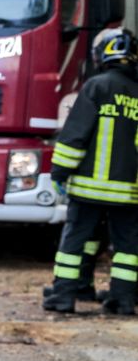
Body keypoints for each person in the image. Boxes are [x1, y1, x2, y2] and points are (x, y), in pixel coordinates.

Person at [45, 27, 138, 315]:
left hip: (88, 188)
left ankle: (63, 296)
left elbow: (75, 135)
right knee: (127, 248)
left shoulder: (96, 86)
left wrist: (59, 172)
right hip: (128, 192)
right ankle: (122, 300)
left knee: (74, 241)